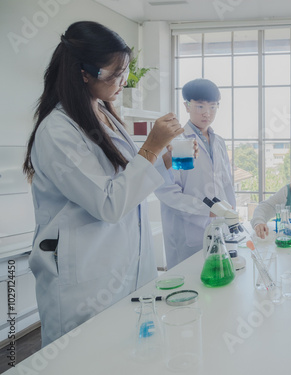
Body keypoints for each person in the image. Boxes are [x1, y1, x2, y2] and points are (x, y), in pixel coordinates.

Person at [23, 21, 183, 346]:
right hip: (84, 280)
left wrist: (163, 159)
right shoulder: (58, 131)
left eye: (125, 72)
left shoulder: (104, 114)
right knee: (86, 357)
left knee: (130, 352)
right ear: (84, 73)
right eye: (115, 74)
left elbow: (128, 183)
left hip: (125, 266)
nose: (123, 82)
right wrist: (151, 147)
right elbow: (109, 204)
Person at [155, 78, 235, 269]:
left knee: (220, 284)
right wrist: (205, 210)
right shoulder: (175, 141)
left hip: (219, 228)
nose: (207, 113)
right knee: (190, 284)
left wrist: (231, 213)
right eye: (200, 106)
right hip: (187, 233)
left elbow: (226, 184)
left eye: (213, 107)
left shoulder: (219, 142)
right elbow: (166, 191)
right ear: (187, 106)